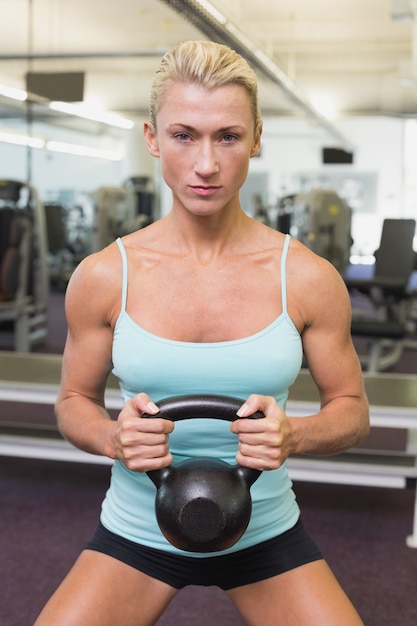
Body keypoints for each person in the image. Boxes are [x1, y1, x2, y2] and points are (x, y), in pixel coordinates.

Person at [34, 40, 370, 626]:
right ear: (152, 137)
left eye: (229, 136)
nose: (207, 164)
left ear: (257, 138)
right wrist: (114, 438)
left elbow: (352, 410)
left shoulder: (309, 278)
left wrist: (296, 435)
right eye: (184, 135)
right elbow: (72, 403)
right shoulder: (105, 276)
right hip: (138, 528)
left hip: (263, 529)